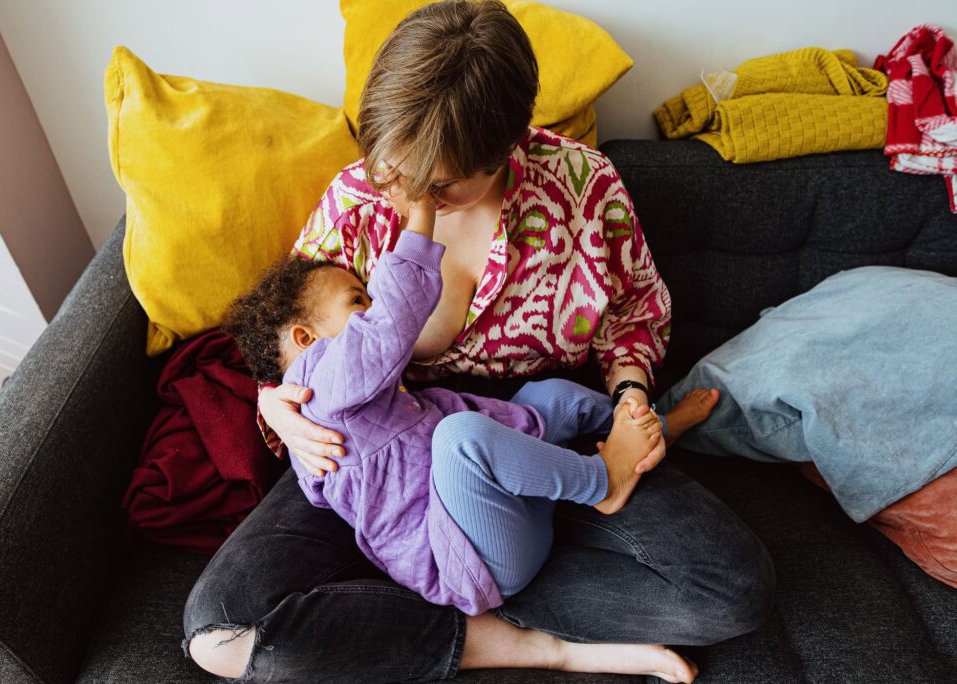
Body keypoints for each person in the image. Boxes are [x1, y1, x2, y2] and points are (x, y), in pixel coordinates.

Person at [183, 2, 772, 682]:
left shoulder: (581, 187)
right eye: (391, 170)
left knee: (734, 589)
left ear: (507, 145)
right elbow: (288, 331)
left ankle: (427, 598)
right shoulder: (356, 200)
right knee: (219, 631)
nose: (405, 195)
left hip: (528, 433)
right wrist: (276, 403)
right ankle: (514, 638)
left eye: (436, 186)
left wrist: (633, 400)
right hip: (379, 452)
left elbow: (636, 313)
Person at [223, 196, 684, 614]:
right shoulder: (322, 385)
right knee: (459, 436)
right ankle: (605, 480)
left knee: (553, 396)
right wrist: (421, 215)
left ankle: (646, 429)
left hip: (511, 501)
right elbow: (391, 322)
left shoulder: (360, 396)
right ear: (307, 340)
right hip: (476, 558)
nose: (372, 304)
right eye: (357, 300)